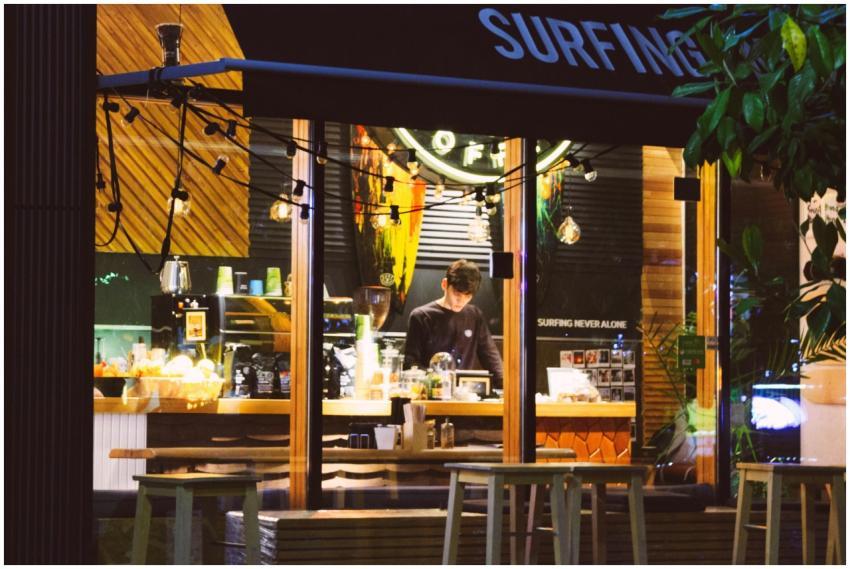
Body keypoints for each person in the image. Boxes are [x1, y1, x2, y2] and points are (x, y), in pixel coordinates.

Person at [403, 259, 503, 389]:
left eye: (467, 296)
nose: (461, 301)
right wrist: (436, 380)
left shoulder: (475, 316)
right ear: (445, 284)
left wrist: (505, 386)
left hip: (464, 393)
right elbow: (411, 362)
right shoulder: (421, 316)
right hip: (431, 390)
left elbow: (491, 357)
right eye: (457, 294)